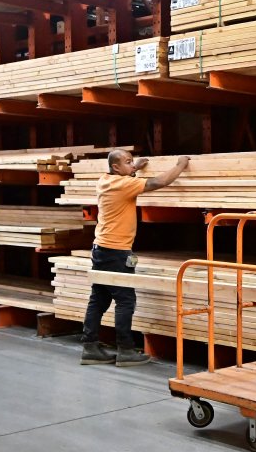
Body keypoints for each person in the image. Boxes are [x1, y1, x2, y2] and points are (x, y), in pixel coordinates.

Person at [80, 149, 190, 366]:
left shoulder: (105, 181)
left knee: (99, 299)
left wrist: (135, 167)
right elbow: (158, 182)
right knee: (125, 300)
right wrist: (180, 165)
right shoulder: (125, 185)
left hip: (101, 249)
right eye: (127, 162)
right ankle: (126, 350)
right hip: (116, 252)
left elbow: (126, 178)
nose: (132, 165)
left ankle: (90, 347)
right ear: (115, 167)